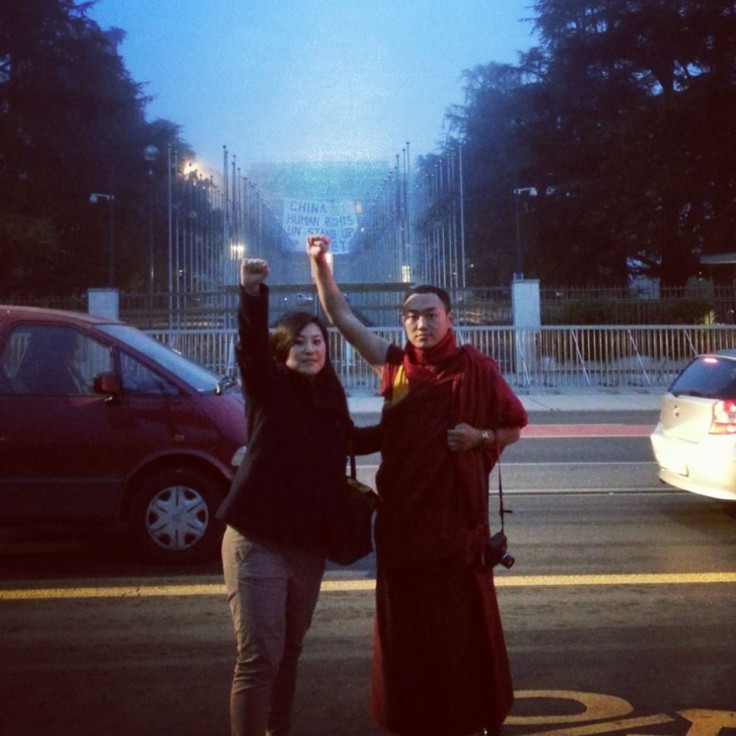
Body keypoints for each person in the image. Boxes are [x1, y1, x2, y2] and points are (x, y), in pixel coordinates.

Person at [307, 235, 528, 736]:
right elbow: (340, 317)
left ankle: (471, 719)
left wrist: (480, 437)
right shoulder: (398, 370)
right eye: (412, 316)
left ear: (449, 319)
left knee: (461, 635)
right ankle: (412, 721)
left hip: (457, 534)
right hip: (404, 533)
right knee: (405, 638)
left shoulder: (477, 369)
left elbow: (514, 426)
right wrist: (320, 265)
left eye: (430, 314)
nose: (421, 324)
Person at [217, 257, 354, 736]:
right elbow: (251, 352)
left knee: (289, 652)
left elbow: (349, 441)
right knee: (259, 659)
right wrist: (252, 295)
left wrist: (413, 425)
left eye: (318, 341)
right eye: (299, 342)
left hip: (308, 547)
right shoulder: (269, 387)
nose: (311, 349)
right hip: (257, 540)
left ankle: (280, 729)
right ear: (283, 349)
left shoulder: (329, 393)